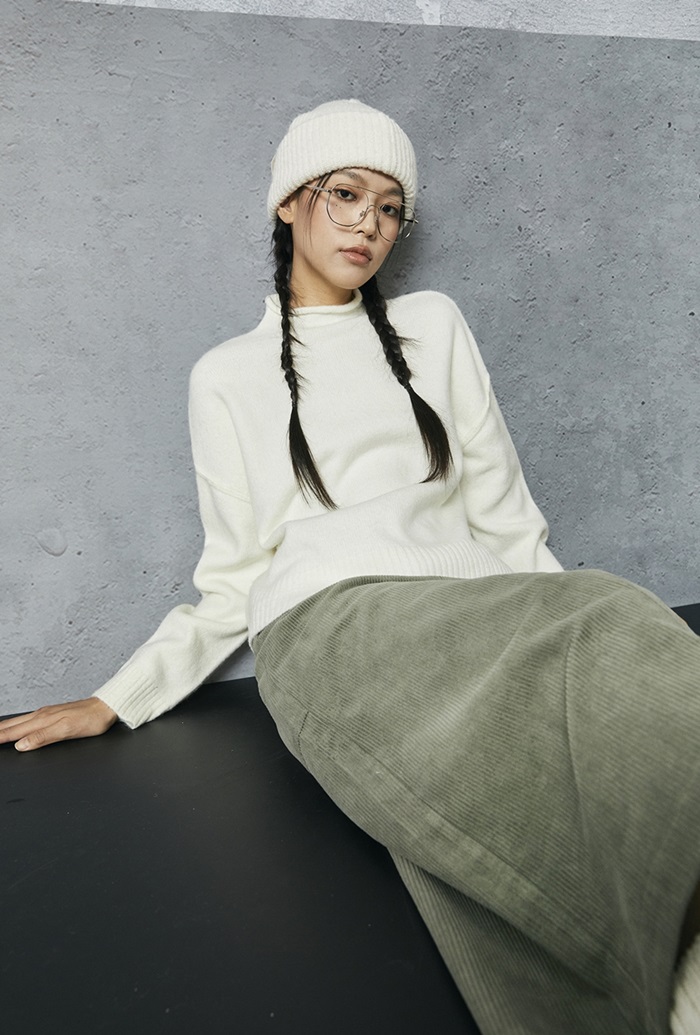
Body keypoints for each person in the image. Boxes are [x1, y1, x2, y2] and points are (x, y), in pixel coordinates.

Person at [1, 99, 698, 1035]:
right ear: (290, 203)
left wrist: (558, 618)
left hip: (469, 612)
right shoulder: (227, 375)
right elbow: (233, 578)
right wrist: (116, 697)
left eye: (389, 206)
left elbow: (506, 515)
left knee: (609, 623)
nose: (368, 221)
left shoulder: (433, 326)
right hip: (328, 627)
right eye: (344, 194)